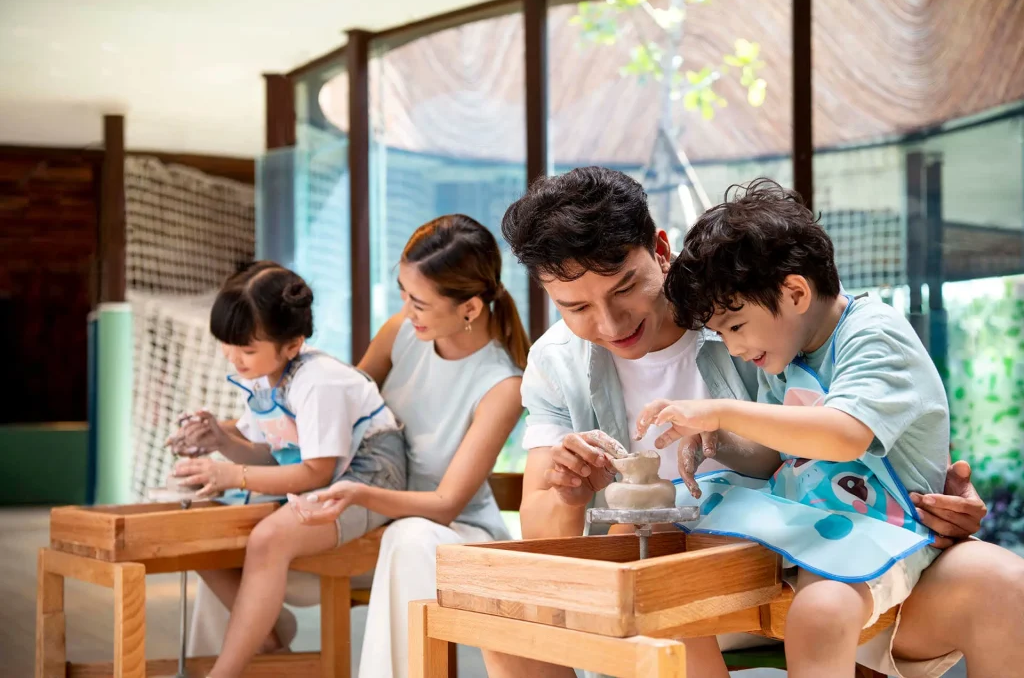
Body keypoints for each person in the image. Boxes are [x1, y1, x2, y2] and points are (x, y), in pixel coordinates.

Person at [487, 166, 1024, 678]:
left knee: (1000, 580)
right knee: (530, 606)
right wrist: (571, 488)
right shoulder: (558, 362)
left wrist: (933, 493)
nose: (608, 323)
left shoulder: (750, 314)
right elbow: (543, 534)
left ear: (661, 250)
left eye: (625, 288)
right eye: (575, 307)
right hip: (687, 581)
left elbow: (858, 428)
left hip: (802, 555)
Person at [188, 215, 527, 678]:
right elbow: (334, 408)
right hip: (366, 509)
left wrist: (358, 493)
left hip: (443, 532)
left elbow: (445, 506)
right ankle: (245, 656)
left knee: (404, 538)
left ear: (469, 308)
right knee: (226, 527)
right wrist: (223, 433)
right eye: (404, 294)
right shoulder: (402, 332)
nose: (407, 310)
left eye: (420, 303)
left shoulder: (501, 386)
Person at [635, 178, 947, 677]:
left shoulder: (875, 333)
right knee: (670, 572)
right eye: (720, 334)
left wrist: (719, 411)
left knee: (819, 613)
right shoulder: (787, 352)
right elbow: (773, 457)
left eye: (735, 327)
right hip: (811, 514)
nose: (733, 348)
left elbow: (844, 434)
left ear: (796, 291)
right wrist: (720, 442)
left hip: (886, 526)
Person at [166, 261, 406, 678]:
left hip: (367, 478)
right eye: (227, 345)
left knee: (268, 537)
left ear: (293, 344)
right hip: (325, 477)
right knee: (195, 529)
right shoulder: (264, 374)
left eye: (246, 349)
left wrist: (230, 475)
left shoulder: (319, 381)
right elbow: (273, 455)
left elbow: (314, 472)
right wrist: (222, 443)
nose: (234, 358)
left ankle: (224, 673)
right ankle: (268, 635)